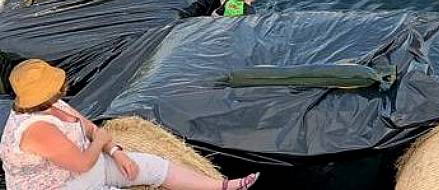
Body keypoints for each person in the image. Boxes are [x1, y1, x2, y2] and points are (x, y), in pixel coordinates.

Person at [0, 59, 259, 190]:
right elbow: (82, 161)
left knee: (150, 166)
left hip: (81, 170)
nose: (63, 84)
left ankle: (220, 186)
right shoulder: (36, 129)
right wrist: (101, 141)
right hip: (63, 186)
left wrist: (117, 152)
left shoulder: (53, 105)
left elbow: (89, 127)